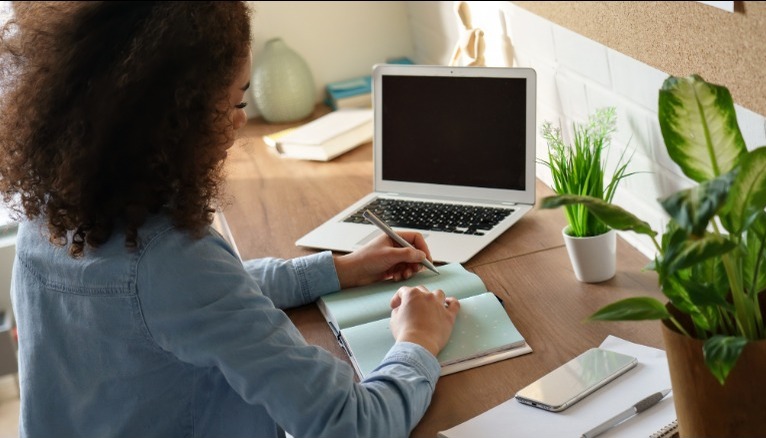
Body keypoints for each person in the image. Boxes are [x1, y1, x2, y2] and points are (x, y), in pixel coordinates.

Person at [0, 2, 460, 437]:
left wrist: (337, 270)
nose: (241, 123)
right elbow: (352, 424)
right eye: (237, 102)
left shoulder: (52, 206)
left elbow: (191, 302)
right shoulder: (169, 257)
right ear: (177, 118)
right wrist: (418, 340)